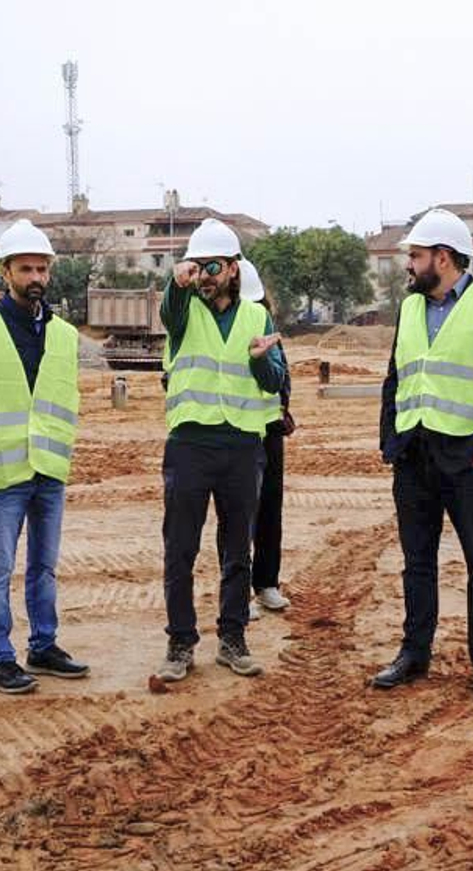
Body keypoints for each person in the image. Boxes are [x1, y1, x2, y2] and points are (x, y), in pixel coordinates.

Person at [373, 208, 473, 699]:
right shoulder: (410, 308)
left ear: (444, 257)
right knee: (417, 563)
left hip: (468, 463)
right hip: (414, 458)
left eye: (415, 256)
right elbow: (396, 378)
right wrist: (390, 441)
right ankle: (415, 653)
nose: (409, 265)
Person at [0, 219, 89, 695]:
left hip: (49, 467)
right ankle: (0, 657)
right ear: (4, 271)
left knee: (44, 566)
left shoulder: (64, 335)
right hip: (4, 469)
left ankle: (43, 645)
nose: (35, 277)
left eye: (42, 269)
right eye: (26, 268)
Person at [155, 219, 286, 682]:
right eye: (198, 266)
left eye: (214, 266)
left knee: (237, 551)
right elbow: (169, 310)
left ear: (233, 269)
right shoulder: (182, 309)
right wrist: (177, 281)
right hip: (191, 442)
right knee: (180, 550)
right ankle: (180, 643)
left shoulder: (256, 316)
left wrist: (260, 360)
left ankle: (233, 639)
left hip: (242, 446)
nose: (206, 275)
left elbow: (275, 382)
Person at [238, 259, 295, 622]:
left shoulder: (266, 328)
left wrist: (284, 407)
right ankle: (237, 591)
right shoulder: (223, 333)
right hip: (238, 430)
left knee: (270, 510)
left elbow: (282, 377)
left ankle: (266, 583)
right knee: (239, 516)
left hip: (269, 431)